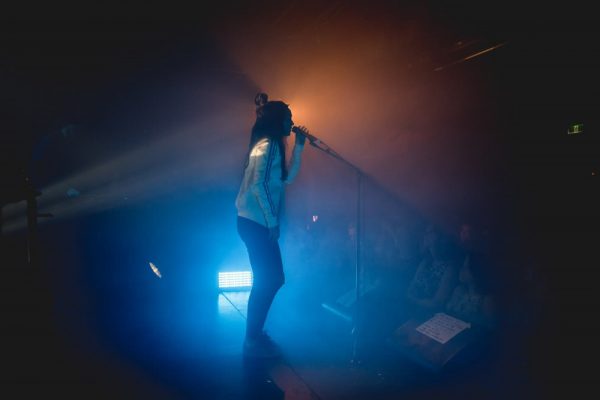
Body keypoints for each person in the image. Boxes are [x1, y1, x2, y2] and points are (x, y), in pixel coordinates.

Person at [235, 92, 309, 358]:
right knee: (270, 279)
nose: (292, 122)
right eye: (288, 118)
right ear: (278, 120)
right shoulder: (269, 145)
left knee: (271, 279)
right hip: (256, 222)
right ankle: (252, 338)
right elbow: (260, 185)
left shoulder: (268, 145)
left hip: (252, 222)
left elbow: (286, 180)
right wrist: (272, 222)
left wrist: (299, 147)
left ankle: (254, 334)